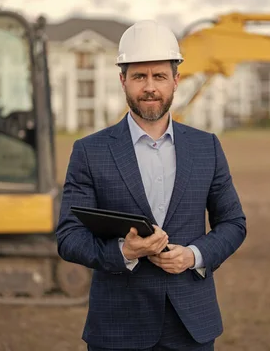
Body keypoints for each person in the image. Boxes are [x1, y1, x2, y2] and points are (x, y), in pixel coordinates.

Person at [56, 19, 247, 351]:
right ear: (123, 80)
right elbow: (69, 237)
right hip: (118, 328)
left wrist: (194, 255)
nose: (149, 87)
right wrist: (123, 252)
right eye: (139, 76)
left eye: (159, 76)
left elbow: (233, 223)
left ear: (176, 80)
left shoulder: (207, 147)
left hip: (192, 327)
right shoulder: (89, 152)